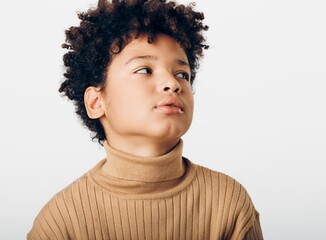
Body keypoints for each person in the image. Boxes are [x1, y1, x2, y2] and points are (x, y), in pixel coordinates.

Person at [27, 0, 263, 239]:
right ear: (96, 102)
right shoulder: (61, 222)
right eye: (144, 70)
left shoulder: (229, 204)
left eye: (182, 74)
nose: (172, 84)